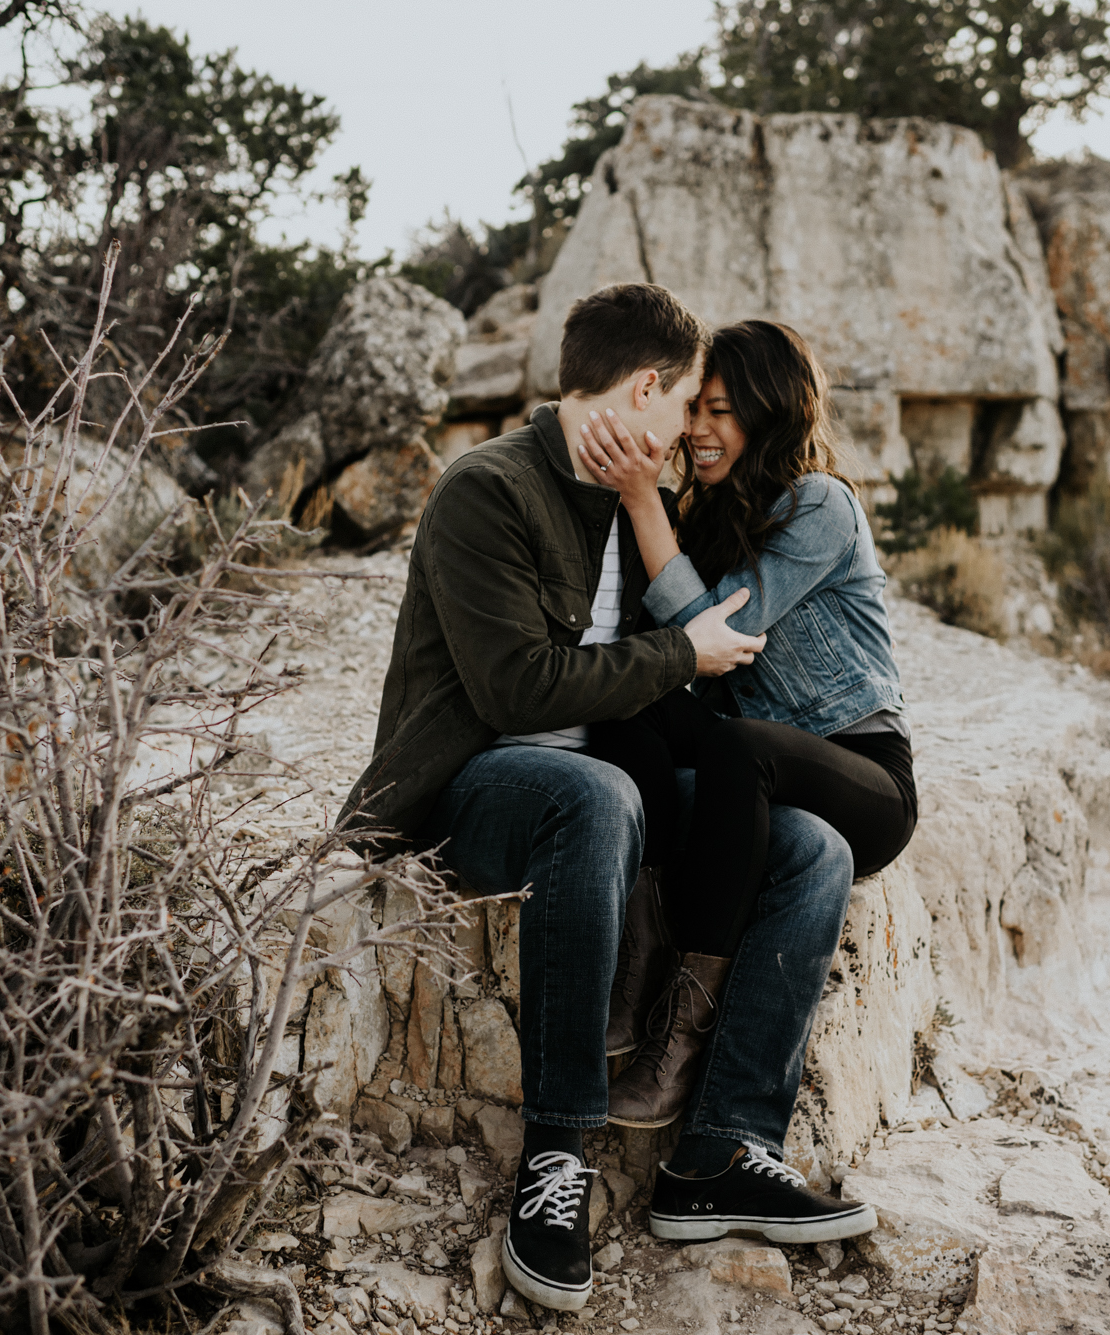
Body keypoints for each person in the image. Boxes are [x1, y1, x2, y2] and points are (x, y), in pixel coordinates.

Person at [344, 287, 875, 1314]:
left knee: (808, 845)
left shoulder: (644, 510)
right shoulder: (484, 489)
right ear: (643, 391)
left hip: (607, 790)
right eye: (684, 404)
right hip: (475, 790)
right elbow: (512, 690)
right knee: (591, 797)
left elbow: (674, 681)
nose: (687, 432)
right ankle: (557, 1151)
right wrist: (682, 652)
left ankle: (720, 1147)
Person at [572, 319, 918, 1193]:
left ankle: (681, 1036)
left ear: (770, 413)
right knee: (622, 710)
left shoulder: (820, 505)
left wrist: (644, 500)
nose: (697, 431)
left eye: (721, 411)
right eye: (696, 409)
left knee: (733, 742)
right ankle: (641, 951)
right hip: (752, 757)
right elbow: (664, 651)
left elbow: (715, 633)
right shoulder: (710, 516)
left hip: (864, 775)